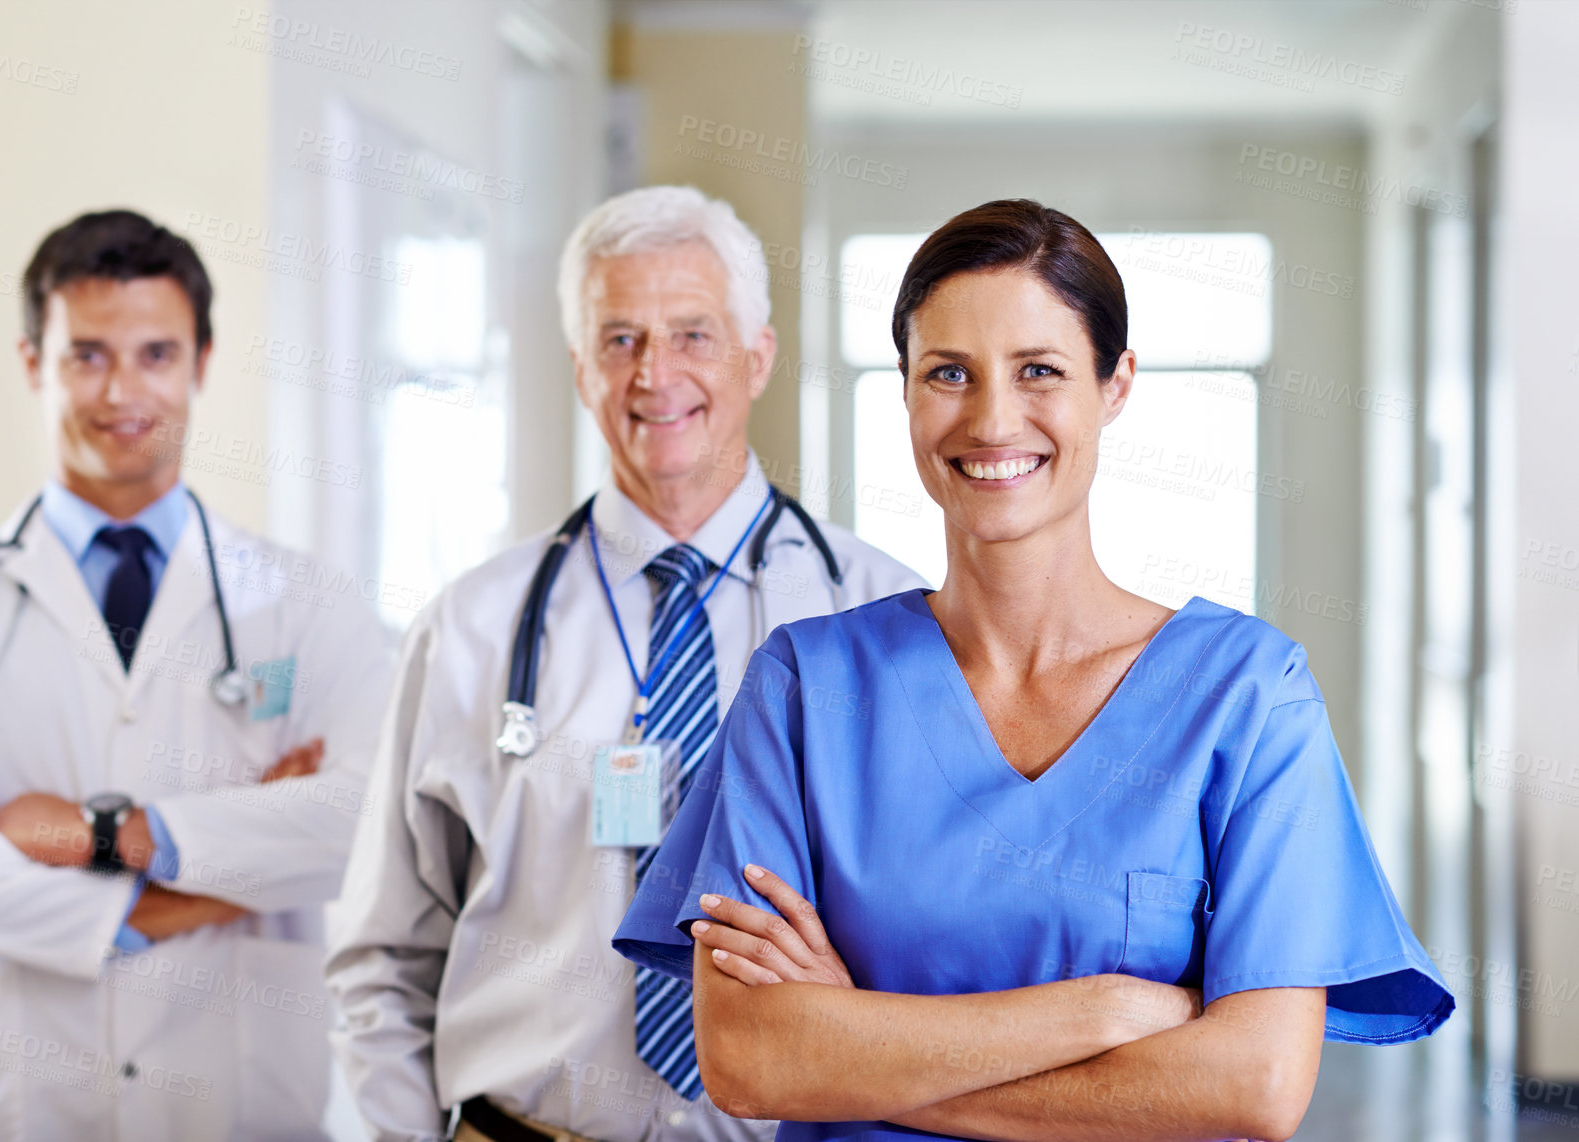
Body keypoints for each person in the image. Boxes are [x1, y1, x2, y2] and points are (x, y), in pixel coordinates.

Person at [614, 199, 1454, 1142]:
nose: (992, 417)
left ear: (1116, 384)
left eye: (1040, 370)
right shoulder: (805, 690)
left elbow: (1253, 1084)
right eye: (948, 374)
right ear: (904, 389)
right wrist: (1095, 1012)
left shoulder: (1247, 697)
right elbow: (749, 1060)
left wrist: (852, 1055)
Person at [324, 185, 926, 1142]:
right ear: (579, 370)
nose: (655, 373)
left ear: (756, 357)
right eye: (619, 340)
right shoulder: (471, 629)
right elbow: (382, 954)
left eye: (693, 334)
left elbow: (928, 944)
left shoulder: (884, 618)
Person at [0, 209, 395, 1140]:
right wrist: (211, 883)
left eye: (155, 354)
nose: (122, 392)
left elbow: (364, 828)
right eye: (87, 355)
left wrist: (94, 834)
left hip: (236, 1096)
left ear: (202, 362)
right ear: (32, 360)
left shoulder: (309, 605)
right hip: (19, 1099)